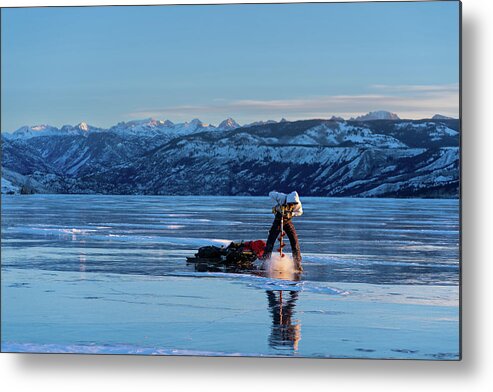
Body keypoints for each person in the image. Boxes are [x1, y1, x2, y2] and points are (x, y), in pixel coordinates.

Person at [263, 190, 303, 272]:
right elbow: (270, 193)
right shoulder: (281, 197)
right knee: (271, 240)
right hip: (278, 221)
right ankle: (265, 262)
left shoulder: (297, 204)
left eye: (293, 204)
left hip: (287, 222)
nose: (291, 205)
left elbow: (299, 212)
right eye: (290, 203)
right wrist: (277, 206)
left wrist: (291, 214)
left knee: (294, 241)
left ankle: (297, 263)